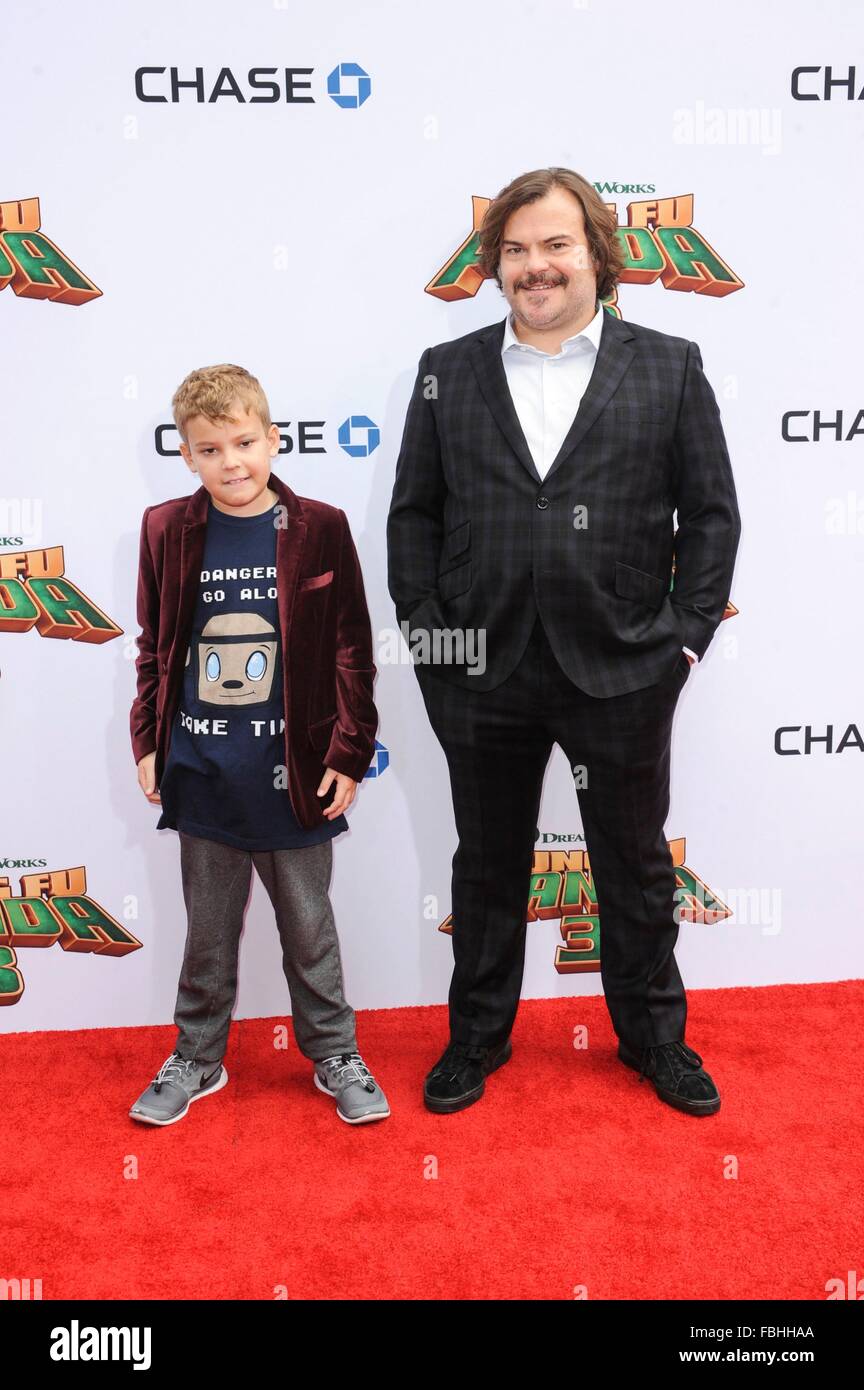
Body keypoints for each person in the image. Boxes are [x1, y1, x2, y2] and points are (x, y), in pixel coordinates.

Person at [387, 167, 741, 1118]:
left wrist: (685, 641)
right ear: (494, 263)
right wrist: (431, 644)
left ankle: (655, 1043)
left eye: (555, 246)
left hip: (623, 664)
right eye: (515, 250)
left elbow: (711, 517)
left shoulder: (668, 364)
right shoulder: (445, 369)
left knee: (632, 866)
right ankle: (475, 1042)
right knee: (487, 863)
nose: (534, 267)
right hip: (480, 666)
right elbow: (413, 516)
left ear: (597, 257)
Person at [129, 363, 388, 1126]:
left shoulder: (323, 527)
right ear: (185, 453)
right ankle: (198, 1056)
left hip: (297, 775)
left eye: (244, 442)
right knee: (207, 933)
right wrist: (148, 740)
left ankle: (334, 1050)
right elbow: (153, 647)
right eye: (210, 449)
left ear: (275, 439)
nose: (230, 462)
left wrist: (348, 749)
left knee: (309, 928)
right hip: (202, 769)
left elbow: (352, 650)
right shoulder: (163, 528)